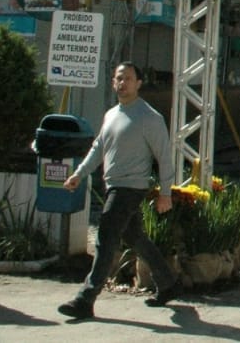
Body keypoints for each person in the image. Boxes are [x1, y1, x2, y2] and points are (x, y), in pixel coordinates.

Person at [57, 62, 181, 320]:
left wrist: (165, 192)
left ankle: (85, 298)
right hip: (113, 184)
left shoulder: (149, 117)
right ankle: (168, 282)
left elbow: (165, 157)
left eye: (128, 78)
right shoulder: (112, 114)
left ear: (138, 83)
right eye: (118, 78)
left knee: (105, 238)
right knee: (135, 238)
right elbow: (98, 149)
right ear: (113, 82)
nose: (122, 83)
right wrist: (79, 174)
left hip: (130, 187)